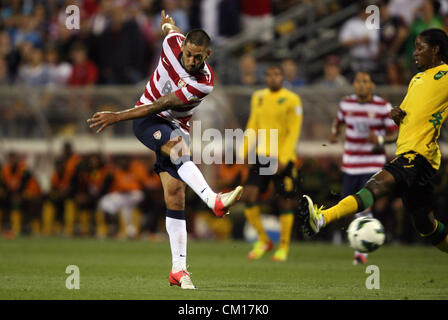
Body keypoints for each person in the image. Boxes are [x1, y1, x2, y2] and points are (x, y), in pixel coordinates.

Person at [87, 11, 243, 290]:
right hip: (145, 119)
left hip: (168, 120)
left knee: (175, 196)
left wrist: (115, 116)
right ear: (183, 46)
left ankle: (178, 270)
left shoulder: (204, 82)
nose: (193, 61)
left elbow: (163, 104)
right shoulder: (172, 42)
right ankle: (213, 201)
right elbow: (170, 29)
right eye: (190, 54)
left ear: (208, 54)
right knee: (179, 149)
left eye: (199, 57)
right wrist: (167, 21)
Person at [298, 28, 448, 255]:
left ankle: (321, 218)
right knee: (425, 225)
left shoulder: (446, 75)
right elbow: (409, 117)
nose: (414, 53)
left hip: (419, 155)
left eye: (420, 48)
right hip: (407, 153)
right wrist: (398, 115)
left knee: (375, 185)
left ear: (436, 50)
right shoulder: (417, 79)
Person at [328, 71, 398, 264]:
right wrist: (334, 133)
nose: (361, 85)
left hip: (372, 162)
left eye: (365, 81)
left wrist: (381, 139)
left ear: (372, 85)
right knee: (348, 206)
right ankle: (361, 240)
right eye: (358, 81)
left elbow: (394, 135)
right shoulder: (346, 104)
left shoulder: (382, 106)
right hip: (351, 163)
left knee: (364, 203)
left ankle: (362, 251)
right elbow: (338, 123)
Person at [239, 65, 303, 262]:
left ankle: (283, 246)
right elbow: (253, 125)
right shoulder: (258, 97)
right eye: (269, 74)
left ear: (282, 77)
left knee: (284, 200)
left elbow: (294, 131)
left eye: (276, 74)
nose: (272, 77)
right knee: (249, 196)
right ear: (265, 77)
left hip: (283, 158)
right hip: (262, 155)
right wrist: (243, 151)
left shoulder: (292, 100)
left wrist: (284, 158)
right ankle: (264, 240)